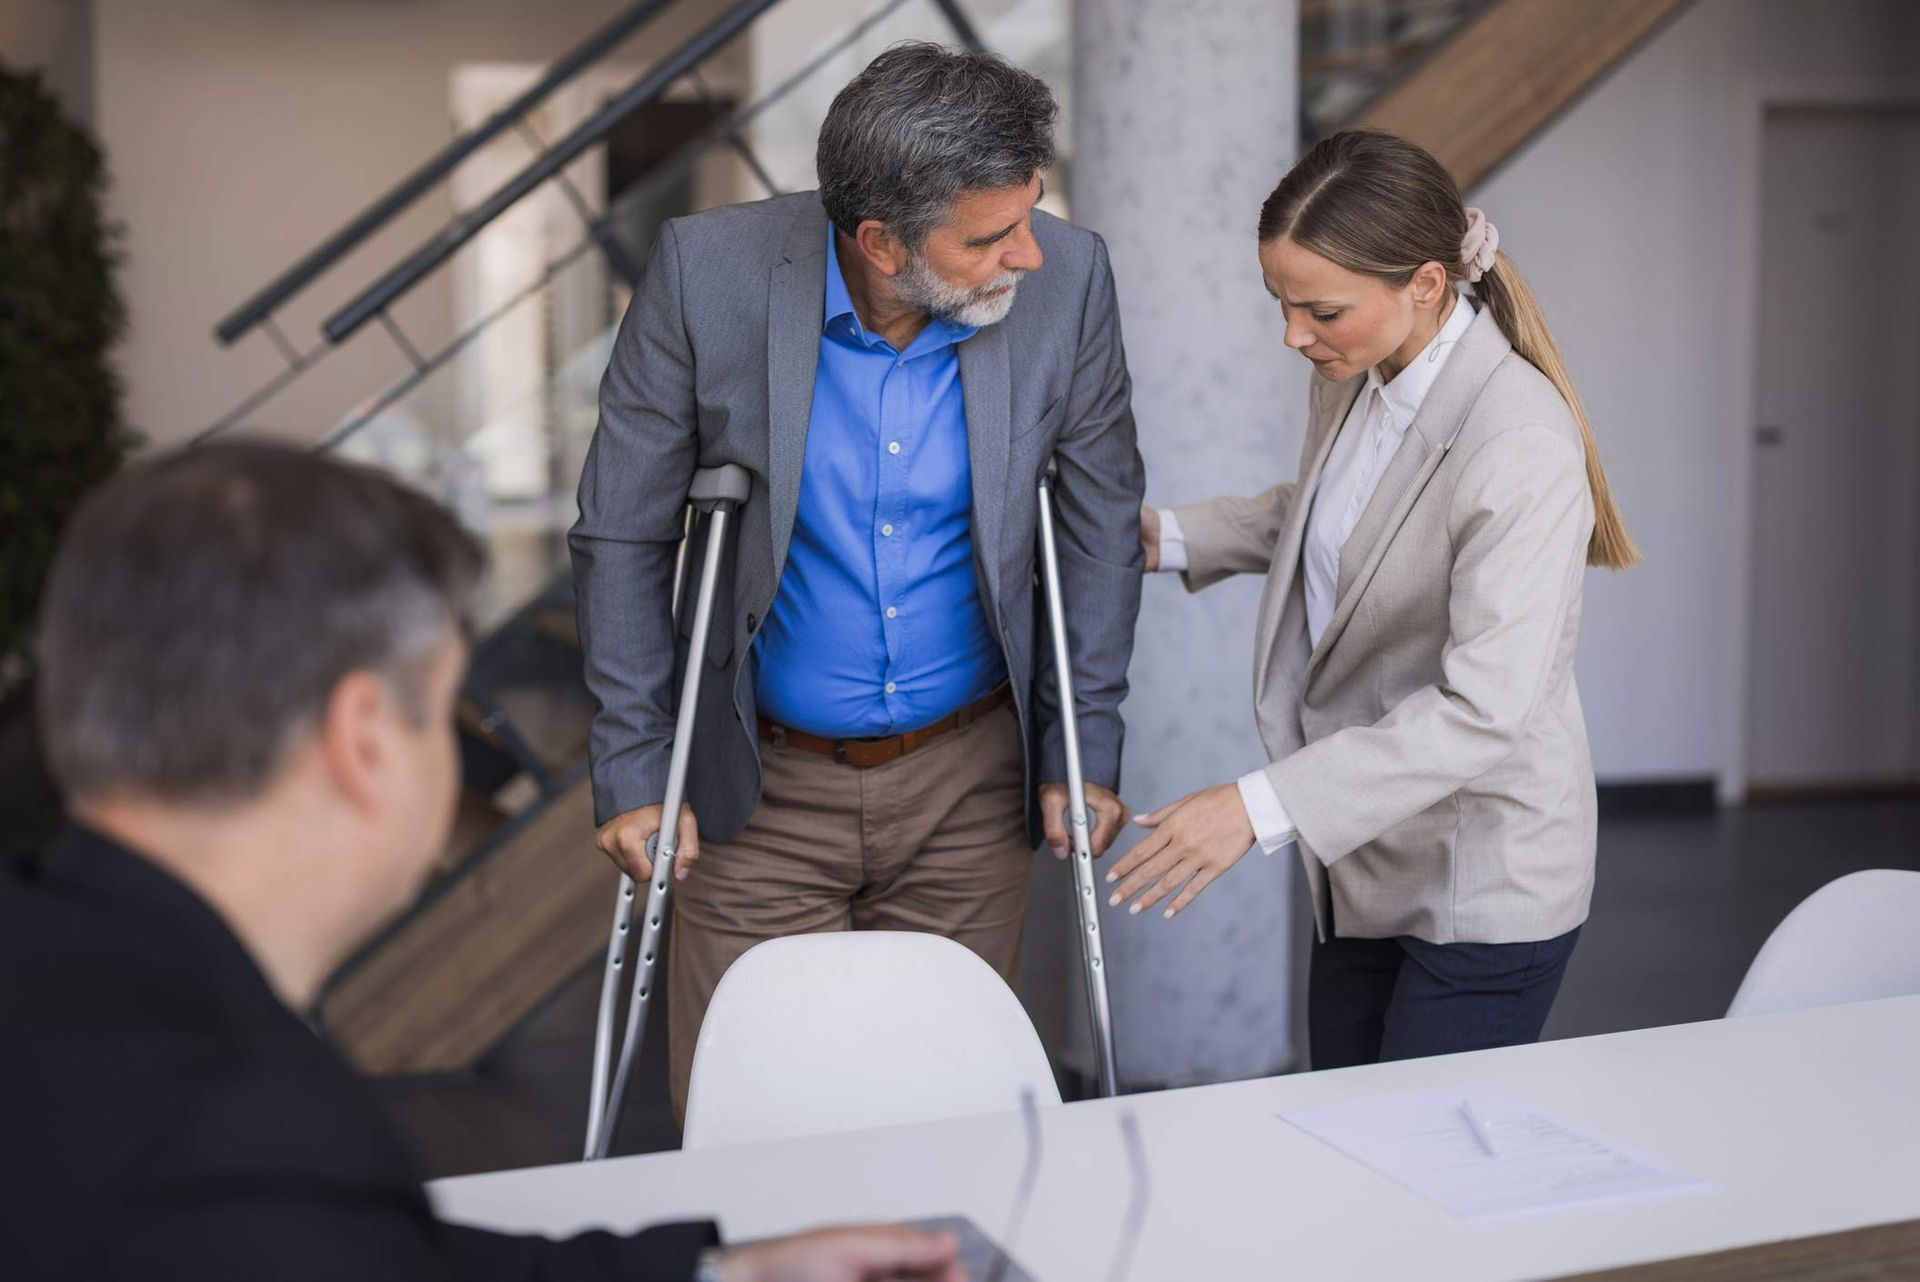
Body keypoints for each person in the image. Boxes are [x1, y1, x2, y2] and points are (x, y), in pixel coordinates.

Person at [0, 442, 963, 1282]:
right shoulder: (237, 1139)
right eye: (443, 707)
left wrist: (722, 1274)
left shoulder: (67, 981)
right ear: (366, 739)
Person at [572, 42, 1145, 1116]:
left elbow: (1099, 522)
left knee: (951, 1110)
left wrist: (1082, 747)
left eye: (1031, 214)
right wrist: (637, 762)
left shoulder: (1071, 278)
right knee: (760, 1116)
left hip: (968, 781)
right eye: (990, 237)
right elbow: (621, 530)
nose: (1029, 254)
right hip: (757, 787)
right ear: (879, 240)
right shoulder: (710, 274)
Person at [1113, 130, 1638, 1069]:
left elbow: (1486, 709)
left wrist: (1256, 805)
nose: (1293, 335)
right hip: (1363, 856)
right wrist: (1168, 537)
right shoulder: (1365, 370)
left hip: (1480, 876)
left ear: (1427, 285)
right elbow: (1334, 519)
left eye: (1319, 309)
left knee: (1425, 1170)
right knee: (1350, 1141)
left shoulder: (1516, 441)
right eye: (1279, 303)